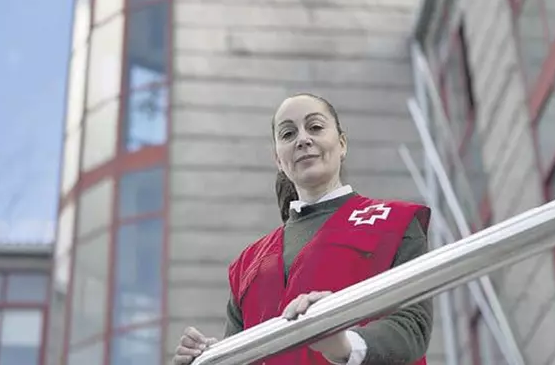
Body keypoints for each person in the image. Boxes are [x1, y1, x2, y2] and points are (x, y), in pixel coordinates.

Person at [173, 93, 433, 365]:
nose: (303, 139)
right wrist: (207, 359)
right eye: (288, 134)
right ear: (278, 159)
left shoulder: (395, 223)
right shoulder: (247, 265)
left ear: (342, 144)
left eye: (315, 127)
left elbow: (413, 327)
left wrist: (344, 344)